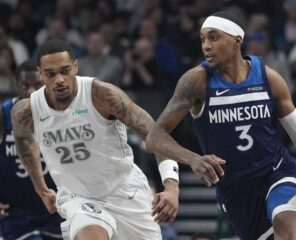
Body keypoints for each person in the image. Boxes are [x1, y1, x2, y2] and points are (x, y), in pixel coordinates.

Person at [146, 11, 296, 240]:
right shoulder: (196, 81)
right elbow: (154, 137)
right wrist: (193, 158)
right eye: (203, 39)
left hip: (276, 172)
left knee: (288, 230)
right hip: (235, 189)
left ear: (237, 40)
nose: (206, 46)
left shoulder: (269, 78)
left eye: (214, 37)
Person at [10, 39, 194, 240]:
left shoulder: (102, 95)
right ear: (41, 73)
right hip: (78, 198)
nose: (59, 79)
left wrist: (171, 187)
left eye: (65, 71)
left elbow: (156, 137)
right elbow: (25, 144)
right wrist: (42, 189)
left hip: (126, 193)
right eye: (51, 74)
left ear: (76, 66)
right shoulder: (26, 111)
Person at [0, 60, 63, 239]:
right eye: (24, 85)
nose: (30, 91)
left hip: (56, 207)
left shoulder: (61, 112)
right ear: (14, 84)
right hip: (16, 213)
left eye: (37, 85)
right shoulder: (4, 114)